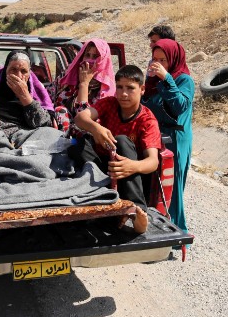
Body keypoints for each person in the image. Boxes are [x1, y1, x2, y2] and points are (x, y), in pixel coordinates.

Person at [69, 65, 162, 234]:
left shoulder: (148, 121)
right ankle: (96, 197)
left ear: (142, 89)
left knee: (122, 141)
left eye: (130, 88)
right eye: (119, 87)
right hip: (103, 168)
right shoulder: (109, 103)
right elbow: (80, 117)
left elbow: (153, 161)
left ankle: (137, 212)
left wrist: (132, 166)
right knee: (79, 146)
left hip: (127, 171)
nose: (123, 93)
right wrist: (95, 128)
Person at [142, 38, 194, 234]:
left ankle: (179, 233)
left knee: (172, 191)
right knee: (155, 188)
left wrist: (167, 78)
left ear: (172, 59)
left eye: (163, 60)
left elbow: (180, 106)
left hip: (176, 138)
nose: (158, 64)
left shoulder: (184, 80)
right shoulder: (153, 81)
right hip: (157, 137)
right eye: (154, 59)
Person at [0, 50, 55, 138]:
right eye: (13, 70)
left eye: (23, 71)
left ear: (29, 74)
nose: (18, 75)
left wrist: (25, 96)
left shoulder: (35, 91)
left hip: (27, 137)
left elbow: (44, 124)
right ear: (5, 71)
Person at [54, 39, 116, 138]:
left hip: (90, 137)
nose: (89, 61)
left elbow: (83, 119)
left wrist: (84, 84)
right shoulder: (71, 77)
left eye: (95, 56)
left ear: (103, 60)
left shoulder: (106, 90)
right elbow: (52, 100)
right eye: (87, 55)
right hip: (63, 137)